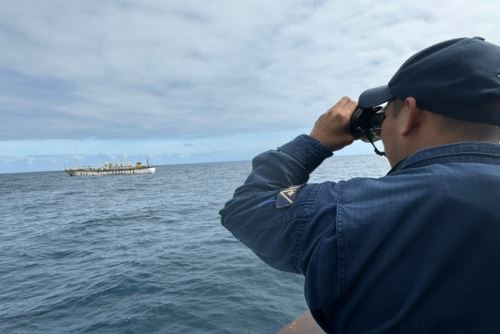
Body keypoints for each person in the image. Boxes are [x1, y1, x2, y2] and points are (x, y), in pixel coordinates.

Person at [219, 37, 500, 333]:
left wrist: (313, 143)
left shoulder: (350, 210)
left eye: (386, 115)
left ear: (410, 115)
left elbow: (246, 209)